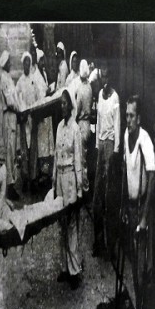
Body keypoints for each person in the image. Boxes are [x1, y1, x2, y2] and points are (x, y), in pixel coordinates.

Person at [123, 95, 155, 309]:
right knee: (134, 267)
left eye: (132, 115)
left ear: (139, 118)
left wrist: (144, 217)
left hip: (143, 209)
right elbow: (126, 172)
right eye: (126, 115)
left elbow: (152, 177)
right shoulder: (126, 136)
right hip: (131, 207)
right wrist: (126, 205)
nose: (128, 119)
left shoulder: (144, 140)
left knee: (145, 270)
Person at [52, 89, 83, 290]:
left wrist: (79, 190)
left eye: (65, 103)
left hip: (71, 178)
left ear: (71, 105)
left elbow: (79, 160)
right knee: (61, 226)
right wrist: (54, 184)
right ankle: (64, 267)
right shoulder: (59, 128)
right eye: (60, 103)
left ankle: (75, 271)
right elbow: (55, 157)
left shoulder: (75, 129)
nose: (62, 106)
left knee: (72, 226)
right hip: (61, 180)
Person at [92, 64, 120, 258]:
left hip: (110, 145)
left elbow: (117, 125)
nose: (105, 80)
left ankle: (111, 245)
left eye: (108, 76)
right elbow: (99, 121)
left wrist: (115, 150)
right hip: (101, 145)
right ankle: (98, 241)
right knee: (97, 197)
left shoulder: (115, 98)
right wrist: (96, 146)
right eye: (103, 76)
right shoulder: (100, 97)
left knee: (110, 198)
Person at [16, 51, 39, 193]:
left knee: (33, 150)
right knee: (24, 150)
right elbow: (17, 99)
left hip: (32, 118)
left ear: (30, 64)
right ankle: (25, 179)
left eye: (28, 62)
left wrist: (34, 111)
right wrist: (21, 112)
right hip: (24, 120)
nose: (26, 65)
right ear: (22, 64)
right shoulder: (19, 82)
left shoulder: (34, 80)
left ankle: (33, 177)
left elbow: (38, 97)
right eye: (24, 62)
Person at [0, 50, 20, 201]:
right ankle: (9, 185)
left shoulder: (8, 78)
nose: (10, 64)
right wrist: (19, 110)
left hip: (12, 117)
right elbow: (10, 102)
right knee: (9, 152)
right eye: (9, 62)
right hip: (8, 116)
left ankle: (11, 183)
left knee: (12, 151)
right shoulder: (3, 79)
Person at [33, 48, 55, 183]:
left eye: (43, 60)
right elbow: (38, 95)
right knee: (42, 145)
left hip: (47, 112)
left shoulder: (44, 74)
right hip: (41, 113)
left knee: (47, 144)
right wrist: (47, 92)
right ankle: (43, 172)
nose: (43, 63)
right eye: (41, 60)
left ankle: (46, 172)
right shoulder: (36, 76)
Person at [74, 59, 92, 195]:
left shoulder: (80, 89)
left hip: (81, 123)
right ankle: (85, 186)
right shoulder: (89, 87)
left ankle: (83, 187)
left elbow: (77, 109)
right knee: (85, 155)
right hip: (88, 124)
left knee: (81, 158)